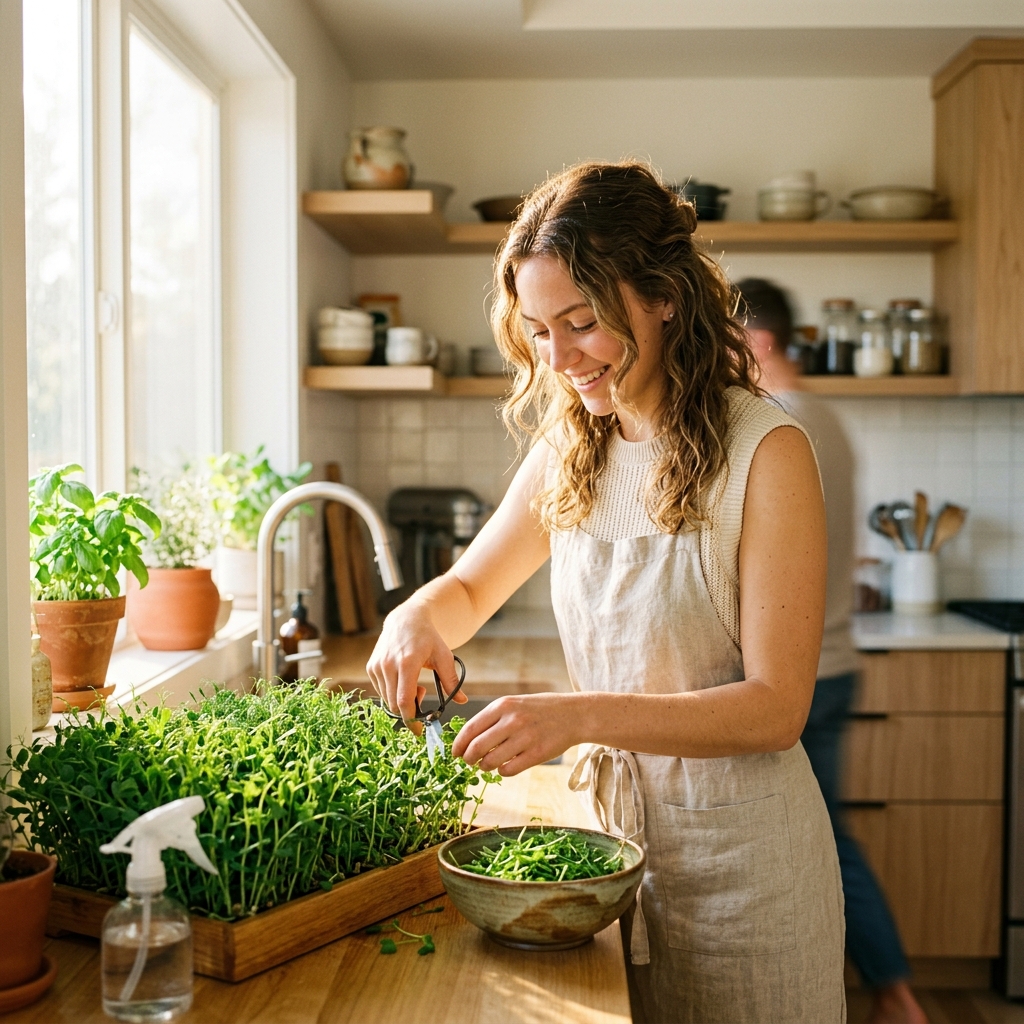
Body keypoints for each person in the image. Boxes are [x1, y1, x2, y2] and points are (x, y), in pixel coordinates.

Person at [368, 162, 845, 1024]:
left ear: (663, 297)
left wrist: (575, 715)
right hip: (604, 864)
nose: (558, 359)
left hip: (746, 879)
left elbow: (777, 708)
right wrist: (412, 617)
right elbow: (469, 587)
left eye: (581, 323)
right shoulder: (569, 450)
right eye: (538, 331)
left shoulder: (766, 452)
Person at [737, 278, 928, 1024]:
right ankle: (886, 989)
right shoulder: (826, 421)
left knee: (821, 843)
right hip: (833, 662)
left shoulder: (779, 425)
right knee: (827, 836)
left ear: (757, 342)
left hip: (801, 673)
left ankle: (892, 993)